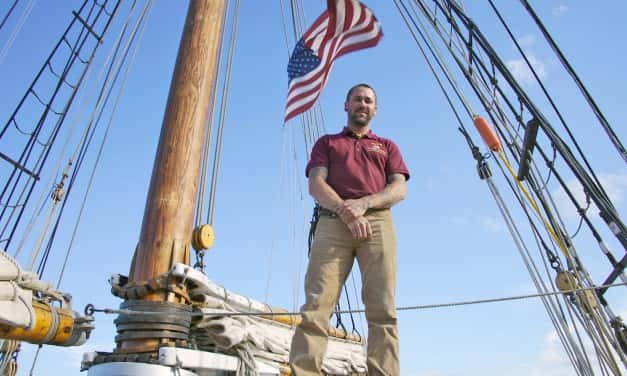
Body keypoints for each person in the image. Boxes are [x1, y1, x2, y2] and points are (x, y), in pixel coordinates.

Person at [289, 83, 409, 376]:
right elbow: (316, 184)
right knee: (316, 305)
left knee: (383, 308)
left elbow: (398, 188)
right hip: (332, 222)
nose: (363, 104)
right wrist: (347, 211)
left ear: (375, 110)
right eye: (357, 99)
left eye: (368, 101)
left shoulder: (388, 146)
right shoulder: (327, 143)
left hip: (378, 222)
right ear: (346, 105)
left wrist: (365, 204)